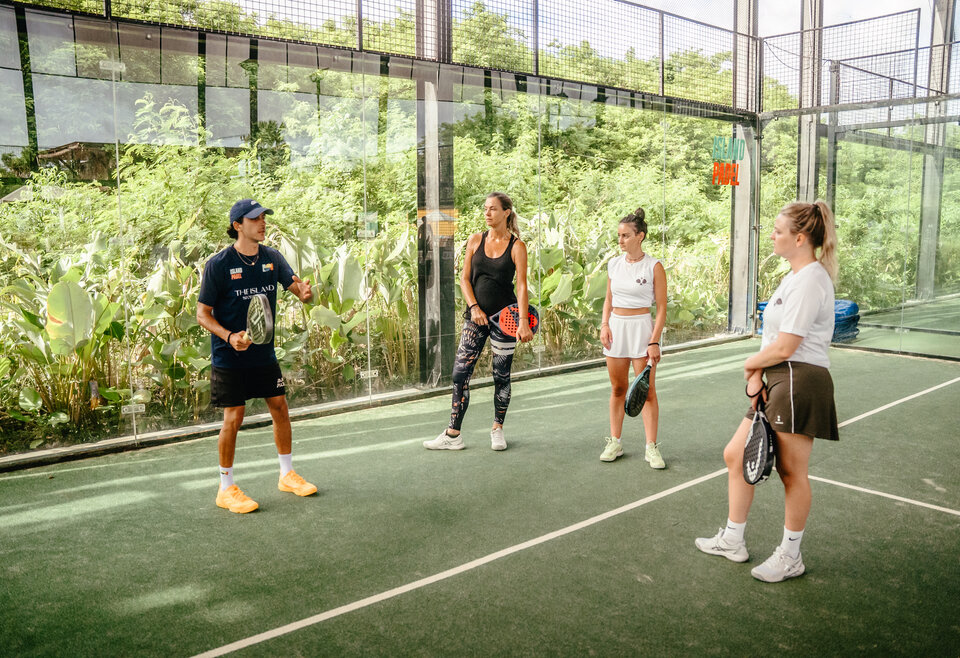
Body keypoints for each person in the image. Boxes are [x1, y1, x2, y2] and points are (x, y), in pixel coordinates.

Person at [695, 200, 839, 582]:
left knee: (792, 472)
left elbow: (788, 345)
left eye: (778, 231)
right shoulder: (793, 277)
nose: (772, 236)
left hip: (798, 379)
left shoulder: (811, 279)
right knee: (735, 456)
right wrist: (759, 374)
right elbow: (775, 338)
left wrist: (751, 366)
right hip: (777, 378)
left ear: (800, 237)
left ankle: (791, 555)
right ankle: (733, 540)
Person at [197, 198, 317, 514]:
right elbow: (202, 315)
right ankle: (225, 488)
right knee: (233, 417)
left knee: (279, 407)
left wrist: (305, 294)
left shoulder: (272, 258)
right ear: (238, 225)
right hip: (229, 356)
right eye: (255, 219)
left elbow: (297, 289)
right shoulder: (218, 265)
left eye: (264, 217)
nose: (262, 223)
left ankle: (287, 474)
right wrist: (229, 335)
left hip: (263, 354)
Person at [423, 192, 534, 451]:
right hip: (476, 319)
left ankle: (497, 428)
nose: (487, 213)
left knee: (501, 376)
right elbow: (464, 279)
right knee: (460, 373)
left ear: (506, 212)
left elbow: (522, 285)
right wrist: (474, 307)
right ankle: (453, 435)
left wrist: (523, 322)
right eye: (485, 209)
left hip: (505, 318)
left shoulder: (517, 246)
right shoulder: (475, 240)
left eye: (493, 209)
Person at [599, 207, 668, 467]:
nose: (621, 241)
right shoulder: (613, 264)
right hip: (616, 329)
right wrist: (605, 324)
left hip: (642, 329)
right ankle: (615, 442)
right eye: (619, 236)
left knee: (647, 392)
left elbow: (661, 307)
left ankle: (651, 447)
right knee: (618, 388)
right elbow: (608, 299)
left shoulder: (654, 266)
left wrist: (654, 340)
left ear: (640, 236)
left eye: (626, 236)